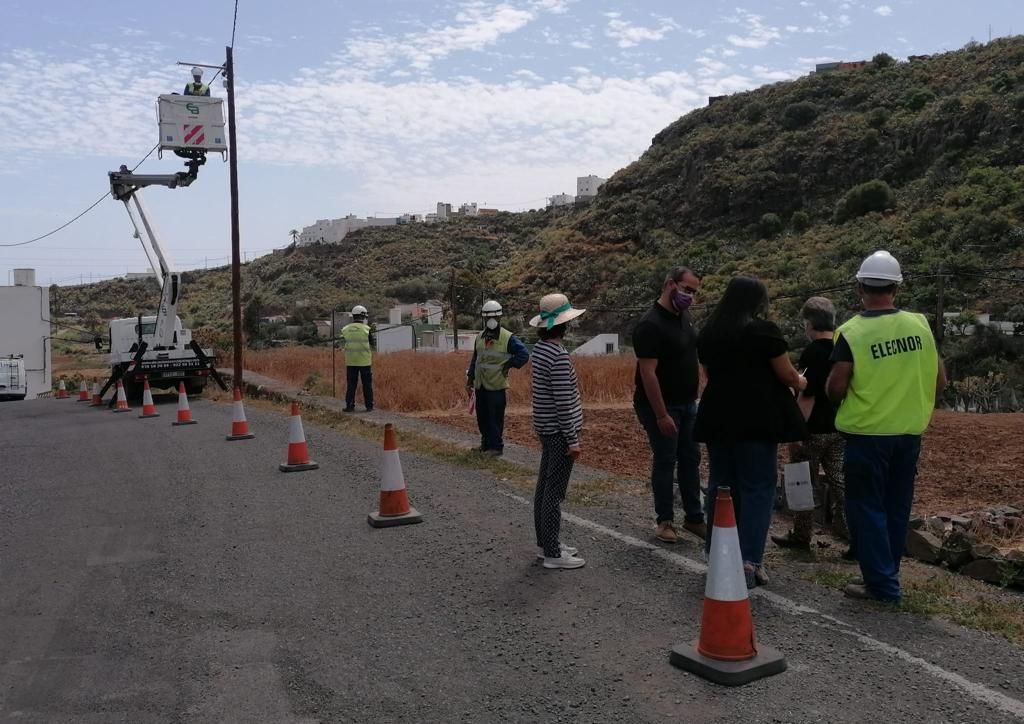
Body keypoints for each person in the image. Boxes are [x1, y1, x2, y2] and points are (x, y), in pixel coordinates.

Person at [827, 250, 946, 602]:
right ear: (897, 287)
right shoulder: (921, 325)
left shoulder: (852, 332)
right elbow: (940, 380)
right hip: (908, 434)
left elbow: (836, 386)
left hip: (867, 436)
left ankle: (881, 585)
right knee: (896, 507)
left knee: (866, 508)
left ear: (860, 287)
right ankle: (885, 574)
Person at [694, 276, 807, 588]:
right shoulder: (763, 331)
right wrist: (801, 382)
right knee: (758, 488)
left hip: (718, 417)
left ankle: (716, 555)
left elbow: (708, 374)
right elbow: (785, 373)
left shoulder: (710, 333)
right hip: (757, 418)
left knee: (721, 486)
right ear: (758, 302)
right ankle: (749, 561)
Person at [633, 266, 706, 544]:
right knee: (666, 460)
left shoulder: (685, 317)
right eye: (686, 289)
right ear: (669, 284)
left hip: (688, 404)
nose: (690, 296)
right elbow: (647, 373)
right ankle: (664, 521)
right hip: (662, 407)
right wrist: (661, 414)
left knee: (691, 458)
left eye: (694, 292)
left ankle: (694, 518)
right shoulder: (650, 325)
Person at [772, 297, 848, 551]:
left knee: (802, 481)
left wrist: (797, 430)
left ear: (809, 323)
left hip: (813, 429)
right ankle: (853, 531)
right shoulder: (843, 347)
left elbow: (808, 394)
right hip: (839, 427)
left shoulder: (813, 352)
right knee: (840, 480)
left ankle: (801, 534)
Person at [529, 293, 586, 570]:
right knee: (555, 492)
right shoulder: (559, 357)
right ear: (564, 325)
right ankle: (552, 552)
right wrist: (573, 440)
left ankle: (545, 543)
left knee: (544, 487)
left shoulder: (539, 351)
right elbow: (564, 402)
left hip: (546, 428)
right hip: (561, 431)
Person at [466, 300, 530, 456]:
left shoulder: (508, 337)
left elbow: (524, 354)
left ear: (499, 317)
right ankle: (485, 444)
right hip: (481, 386)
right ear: (484, 319)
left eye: (494, 317)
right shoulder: (480, 337)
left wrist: (509, 364)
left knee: (495, 418)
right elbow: (476, 359)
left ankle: (496, 447)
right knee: (482, 417)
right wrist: (470, 380)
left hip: (496, 387)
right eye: (488, 318)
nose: (491, 320)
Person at [341, 305, 375, 412]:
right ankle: (369, 406)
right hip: (365, 362)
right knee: (367, 385)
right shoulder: (367, 329)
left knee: (351, 384)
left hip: (351, 362)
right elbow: (372, 343)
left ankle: (349, 406)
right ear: (363, 316)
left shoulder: (345, 329)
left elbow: (344, 341)